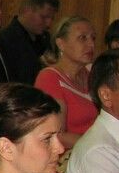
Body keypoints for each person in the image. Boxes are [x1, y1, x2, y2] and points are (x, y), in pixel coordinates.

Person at [36, 16, 99, 147]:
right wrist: (98, 147)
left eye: (93, 38)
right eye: (83, 38)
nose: (91, 44)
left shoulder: (92, 77)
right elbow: (57, 134)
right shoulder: (49, 78)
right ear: (61, 44)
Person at [0, 0, 59, 85]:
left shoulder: (46, 39)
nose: (49, 24)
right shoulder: (5, 41)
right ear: (27, 10)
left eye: (52, 18)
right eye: (44, 17)